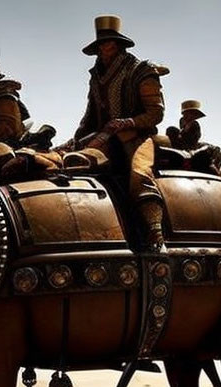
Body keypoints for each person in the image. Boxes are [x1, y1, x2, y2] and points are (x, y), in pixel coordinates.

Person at [70, 15, 167, 250]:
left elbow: (156, 114)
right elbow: (90, 116)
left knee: (139, 174)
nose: (105, 48)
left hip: (137, 136)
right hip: (103, 136)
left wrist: (127, 123)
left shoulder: (141, 70)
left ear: (119, 44)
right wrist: (76, 139)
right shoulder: (95, 77)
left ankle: (155, 234)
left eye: (110, 43)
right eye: (101, 44)